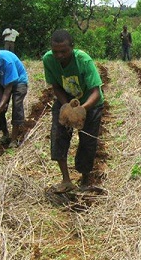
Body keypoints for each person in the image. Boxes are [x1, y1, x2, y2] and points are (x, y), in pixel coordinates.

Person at [43, 29, 104, 193]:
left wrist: (80, 110)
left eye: (64, 51)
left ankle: (85, 180)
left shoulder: (83, 60)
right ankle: (66, 180)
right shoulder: (48, 60)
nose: (59, 55)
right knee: (58, 136)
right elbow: (56, 86)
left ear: (72, 47)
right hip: (65, 101)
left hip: (90, 104)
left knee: (87, 142)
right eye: (56, 52)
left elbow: (96, 92)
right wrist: (67, 107)